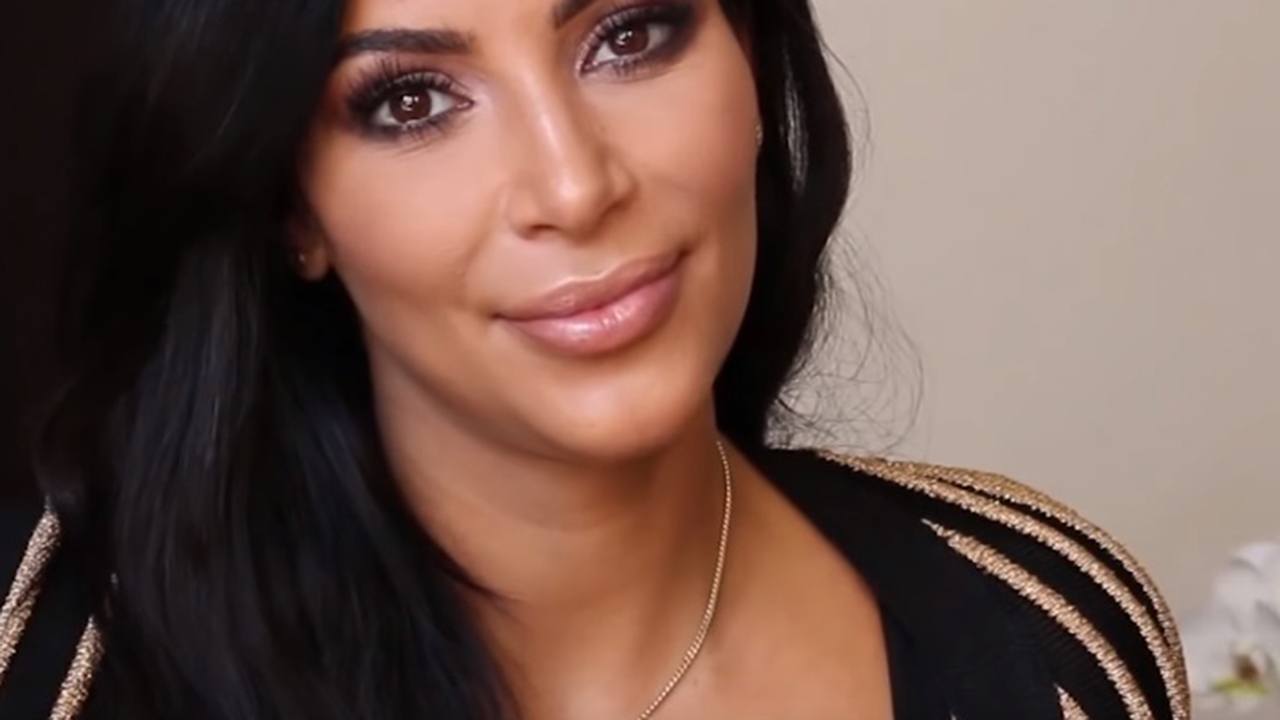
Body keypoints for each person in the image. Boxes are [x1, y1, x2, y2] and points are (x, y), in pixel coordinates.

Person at [0, 0, 1187, 717]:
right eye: (411, 102)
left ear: (750, 58)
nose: (573, 186)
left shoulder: (1048, 635)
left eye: (628, 33)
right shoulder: (45, 661)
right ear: (290, 209)